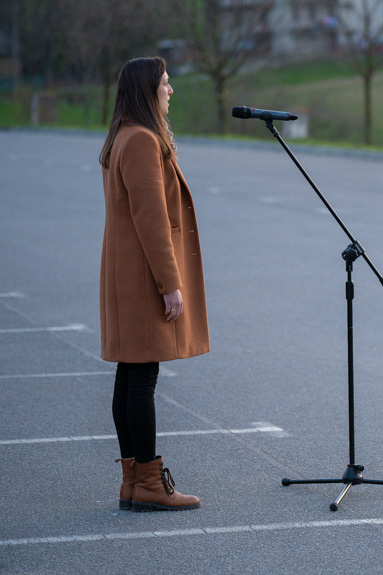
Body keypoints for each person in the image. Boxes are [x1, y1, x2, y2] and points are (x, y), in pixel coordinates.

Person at [98, 57, 209, 511]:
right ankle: (147, 483)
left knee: (130, 375)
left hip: (124, 270)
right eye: (165, 84)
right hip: (143, 274)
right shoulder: (143, 140)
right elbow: (151, 220)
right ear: (148, 90)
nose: (170, 91)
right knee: (142, 378)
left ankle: (132, 480)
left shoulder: (123, 135)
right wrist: (170, 283)